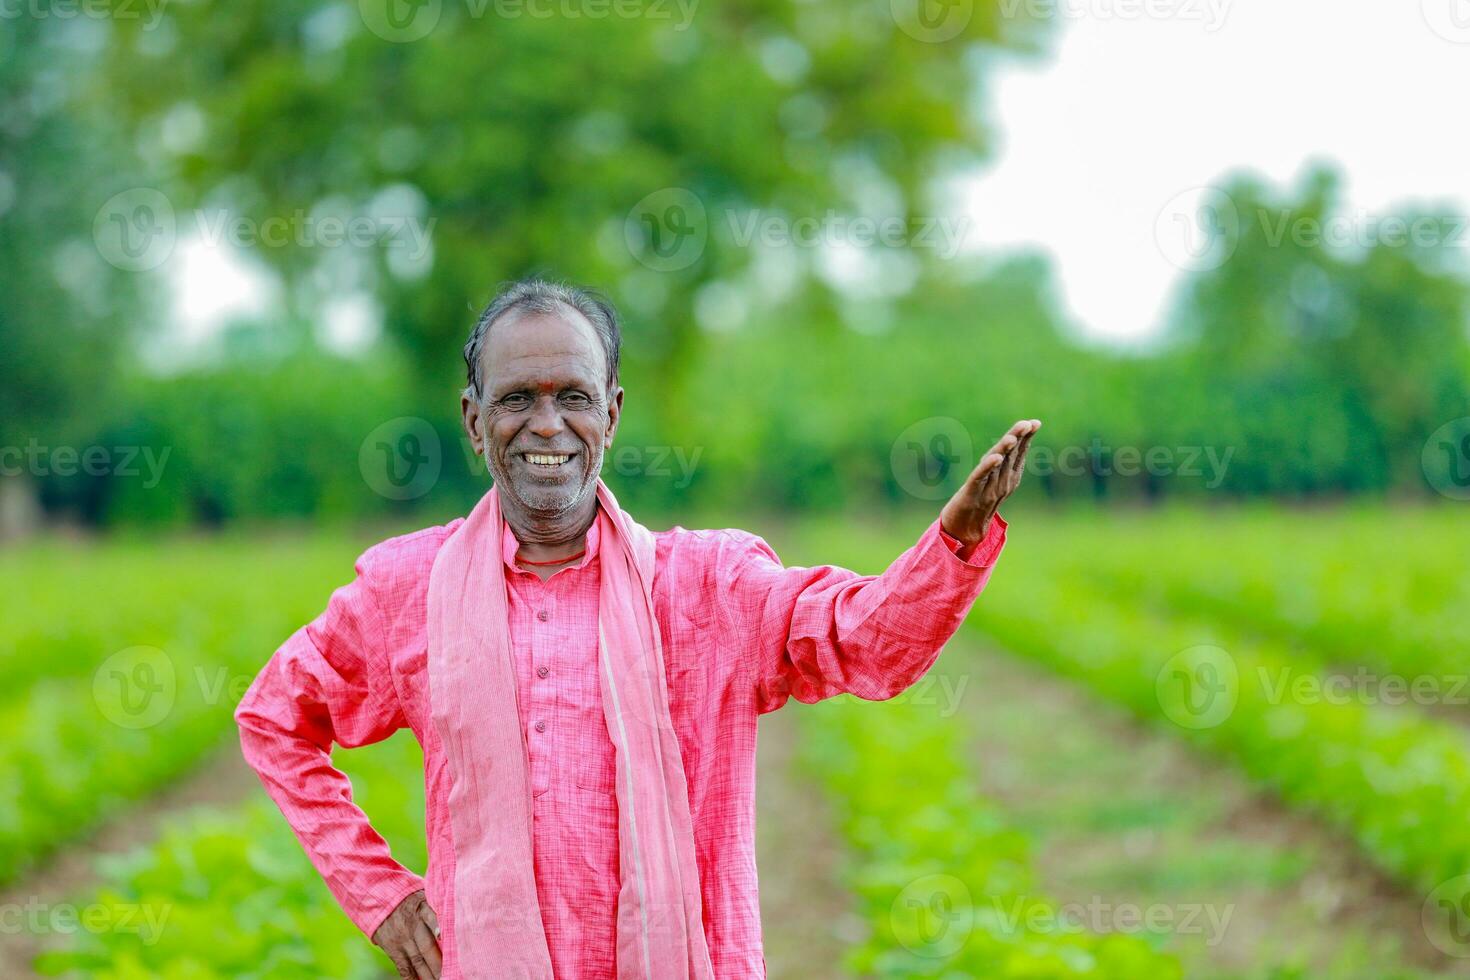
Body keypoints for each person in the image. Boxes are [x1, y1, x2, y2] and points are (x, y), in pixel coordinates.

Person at [233, 277, 1039, 980]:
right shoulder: (408, 589)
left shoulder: (709, 587)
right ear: (474, 421)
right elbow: (275, 717)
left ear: (611, 414)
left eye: (572, 396)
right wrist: (379, 895)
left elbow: (862, 641)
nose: (547, 425)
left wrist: (955, 541)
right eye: (517, 399)